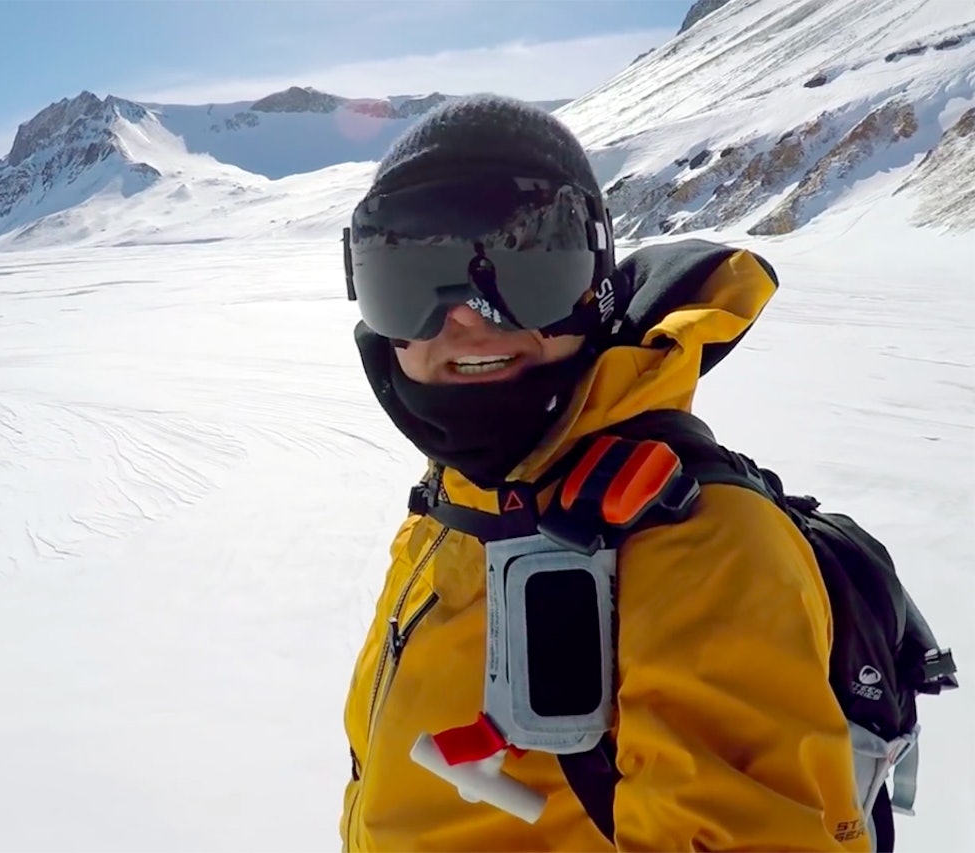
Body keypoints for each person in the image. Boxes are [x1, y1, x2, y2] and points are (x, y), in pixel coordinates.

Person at [338, 95, 876, 851]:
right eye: (411, 274)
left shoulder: (695, 543)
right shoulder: (458, 496)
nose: (466, 318)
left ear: (595, 282)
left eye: (525, 266)